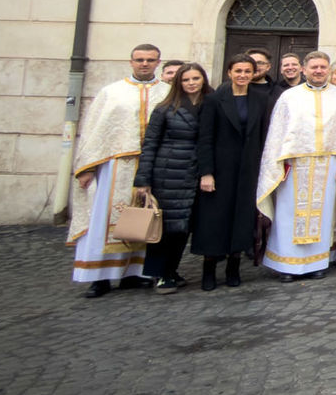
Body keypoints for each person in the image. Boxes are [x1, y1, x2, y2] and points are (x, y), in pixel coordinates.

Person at [68, 44, 169, 296]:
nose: (144, 64)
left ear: (158, 62)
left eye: (150, 60)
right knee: (104, 219)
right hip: (115, 166)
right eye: (139, 60)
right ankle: (99, 277)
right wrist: (87, 167)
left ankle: (135, 273)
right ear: (131, 61)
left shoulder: (168, 92)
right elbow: (94, 130)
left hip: (155, 164)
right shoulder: (112, 92)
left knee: (148, 217)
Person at [256, 52, 336, 280]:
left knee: (322, 215)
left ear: (329, 70)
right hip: (294, 165)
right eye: (314, 67)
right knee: (289, 214)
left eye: (323, 67)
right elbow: (276, 135)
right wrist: (277, 166)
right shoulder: (289, 97)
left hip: (329, 165)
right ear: (304, 70)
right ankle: (286, 266)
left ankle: (316, 263)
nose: (319, 71)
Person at [134, 63, 211, 292]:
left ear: (203, 80)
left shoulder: (211, 104)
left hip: (196, 172)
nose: (191, 83)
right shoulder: (164, 108)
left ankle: (172, 270)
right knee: (166, 227)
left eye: (195, 78)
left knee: (183, 227)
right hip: (169, 172)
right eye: (186, 79)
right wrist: (143, 180)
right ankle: (161, 273)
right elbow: (150, 145)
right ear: (178, 82)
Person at [193, 54, 267, 290]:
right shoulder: (214, 100)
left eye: (247, 71)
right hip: (219, 169)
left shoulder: (259, 99)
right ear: (229, 73)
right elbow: (205, 138)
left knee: (241, 218)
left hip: (247, 169)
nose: (243, 75)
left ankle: (234, 267)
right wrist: (206, 172)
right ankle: (209, 268)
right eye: (238, 71)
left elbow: (262, 135)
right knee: (214, 219)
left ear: (253, 73)